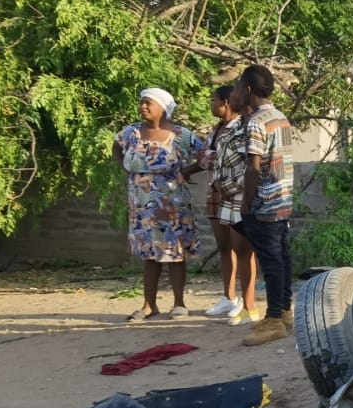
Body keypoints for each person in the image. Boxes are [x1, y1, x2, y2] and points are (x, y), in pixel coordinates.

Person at [112, 87, 207, 321]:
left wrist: (187, 171)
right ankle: (148, 305)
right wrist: (125, 166)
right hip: (142, 205)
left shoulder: (180, 134)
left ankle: (179, 304)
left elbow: (207, 155)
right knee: (149, 254)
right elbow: (116, 148)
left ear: (163, 108)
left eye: (148, 103)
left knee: (175, 252)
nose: (143, 106)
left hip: (172, 203)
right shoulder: (131, 133)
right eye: (142, 103)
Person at [229, 64, 295, 346]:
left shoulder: (256, 121)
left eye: (237, 87)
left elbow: (254, 167)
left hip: (264, 200)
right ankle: (284, 311)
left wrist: (246, 202)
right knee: (281, 257)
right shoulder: (280, 117)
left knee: (270, 261)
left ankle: (273, 320)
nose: (235, 92)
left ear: (248, 90)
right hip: (282, 197)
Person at [203, 86, 261, 324]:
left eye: (213, 100)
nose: (211, 104)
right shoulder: (218, 130)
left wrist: (228, 185)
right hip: (219, 191)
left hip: (236, 193)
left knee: (244, 249)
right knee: (225, 245)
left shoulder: (242, 127)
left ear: (226, 102)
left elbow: (250, 165)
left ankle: (249, 304)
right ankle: (229, 297)